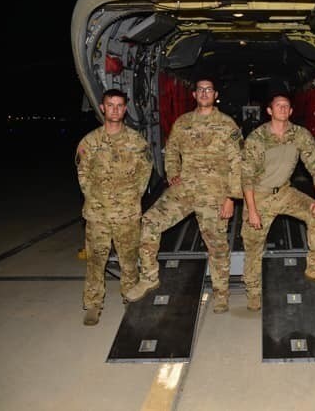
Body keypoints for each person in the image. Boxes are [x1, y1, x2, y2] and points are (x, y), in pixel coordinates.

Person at [125, 78, 243, 314]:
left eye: (209, 89)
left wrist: (231, 197)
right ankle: (149, 277)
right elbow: (171, 150)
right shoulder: (183, 122)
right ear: (194, 95)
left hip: (214, 195)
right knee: (149, 222)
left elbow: (238, 163)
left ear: (215, 94)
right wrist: (173, 174)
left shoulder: (227, 125)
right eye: (200, 89)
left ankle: (221, 294)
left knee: (217, 246)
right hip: (185, 191)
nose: (204, 93)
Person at [241, 93, 315, 311]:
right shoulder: (257, 138)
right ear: (269, 111)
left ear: (291, 111)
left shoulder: (300, 135)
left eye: (286, 106)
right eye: (278, 105)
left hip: (284, 193)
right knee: (253, 246)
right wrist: (252, 210)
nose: (283, 109)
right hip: (259, 196)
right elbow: (246, 177)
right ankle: (253, 292)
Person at [75, 88, 153, 326]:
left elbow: (145, 172)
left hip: (127, 214)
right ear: (102, 107)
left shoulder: (136, 142)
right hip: (98, 214)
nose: (115, 109)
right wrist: (97, 199)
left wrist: (131, 198)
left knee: (129, 261)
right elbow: (83, 175)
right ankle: (93, 305)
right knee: (96, 262)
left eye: (120, 105)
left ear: (125, 109)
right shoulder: (89, 142)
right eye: (111, 105)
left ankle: (130, 299)